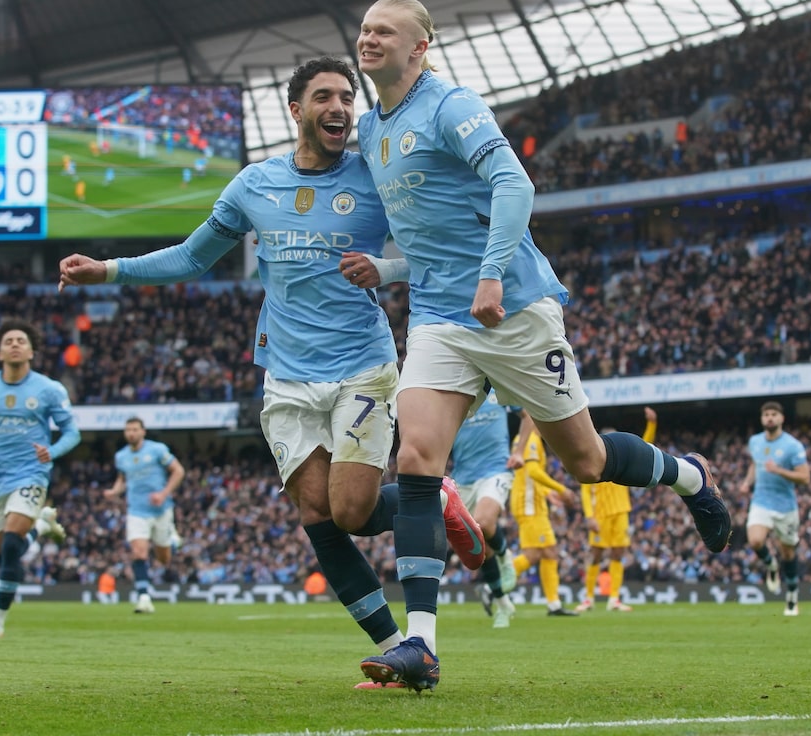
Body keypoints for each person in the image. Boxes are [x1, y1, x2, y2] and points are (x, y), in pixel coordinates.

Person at [57, 57, 482, 687]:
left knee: (351, 509)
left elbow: (430, 249)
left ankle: (431, 498)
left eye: (346, 96)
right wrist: (110, 269)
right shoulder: (254, 184)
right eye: (324, 97)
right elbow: (193, 256)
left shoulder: (374, 174)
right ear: (296, 110)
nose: (339, 106)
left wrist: (386, 271)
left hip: (361, 367)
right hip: (284, 377)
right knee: (318, 514)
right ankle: (400, 653)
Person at [347, 0, 730, 692]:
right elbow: (434, 238)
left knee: (584, 461)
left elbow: (512, 183)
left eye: (386, 31)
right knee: (417, 458)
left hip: (512, 308)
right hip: (438, 315)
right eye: (365, 29)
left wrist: (492, 275)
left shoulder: (451, 106)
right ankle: (421, 648)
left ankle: (689, 476)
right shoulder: (372, 129)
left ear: (420, 46)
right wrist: (391, 269)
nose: (369, 39)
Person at [0, 319, 81, 637]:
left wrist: (52, 452)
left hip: (31, 472)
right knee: (3, 554)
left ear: (31, 350)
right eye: (8, 341)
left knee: (12, 545)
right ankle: (41, 526)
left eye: (21, 340)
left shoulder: (49, 389)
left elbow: (72, 432)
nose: (15, 344)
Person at [575, 407, 659, 614]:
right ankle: (588, 599)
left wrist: (652, 424)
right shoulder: (594, 460)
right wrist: (589, 516)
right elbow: (586, 491)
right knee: (595, 555)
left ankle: (614, 598)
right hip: (600, 514)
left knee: (617, 554)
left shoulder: (624, 458)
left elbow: (644, 447)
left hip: (621, 511)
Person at [449, 389, 519, 628]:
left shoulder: (498, 388)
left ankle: (505, 555)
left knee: (485, 522)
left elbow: (530, 415)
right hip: (462, 478)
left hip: (495, 468)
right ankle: (502, 604)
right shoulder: (454, 394)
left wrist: (519, 451)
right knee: (479, 545)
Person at [104, 417, 187, 614]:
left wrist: (163, 494)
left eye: (135, 429)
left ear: (143, 432)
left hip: (161, 511)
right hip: (136, 511)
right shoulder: (121, 456)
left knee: (164, 559)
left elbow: (178, 471)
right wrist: (115, 491)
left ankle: (173, 542)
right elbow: (123, 478)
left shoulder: (157, 450)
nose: (131, 433)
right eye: (128, 430)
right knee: (139, 552)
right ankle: (144, 597)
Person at [740, 401, 811, 617]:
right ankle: (771, 565)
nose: (770, 418)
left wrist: (779, 470)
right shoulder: (755, 441)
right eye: (766, 415)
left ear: (781, 418)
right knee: (755, 541)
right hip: (761, 500)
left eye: (774, 414)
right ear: (762, 419)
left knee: (788, 552)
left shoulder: (793, 446)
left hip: (785, 507)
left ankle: (792, 596)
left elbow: (805, 478)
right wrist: (746, 482)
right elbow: (755, 464)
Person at [509, 410, 580, 617]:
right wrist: (561, 489)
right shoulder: (530, 438)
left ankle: (554, 604)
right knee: (535, 554)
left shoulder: (527, 439)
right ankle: (494, 587)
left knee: (549, 553)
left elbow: (530, 477)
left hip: (533, 504)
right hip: (529, 506)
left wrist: (548, 493)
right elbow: (532, 472)